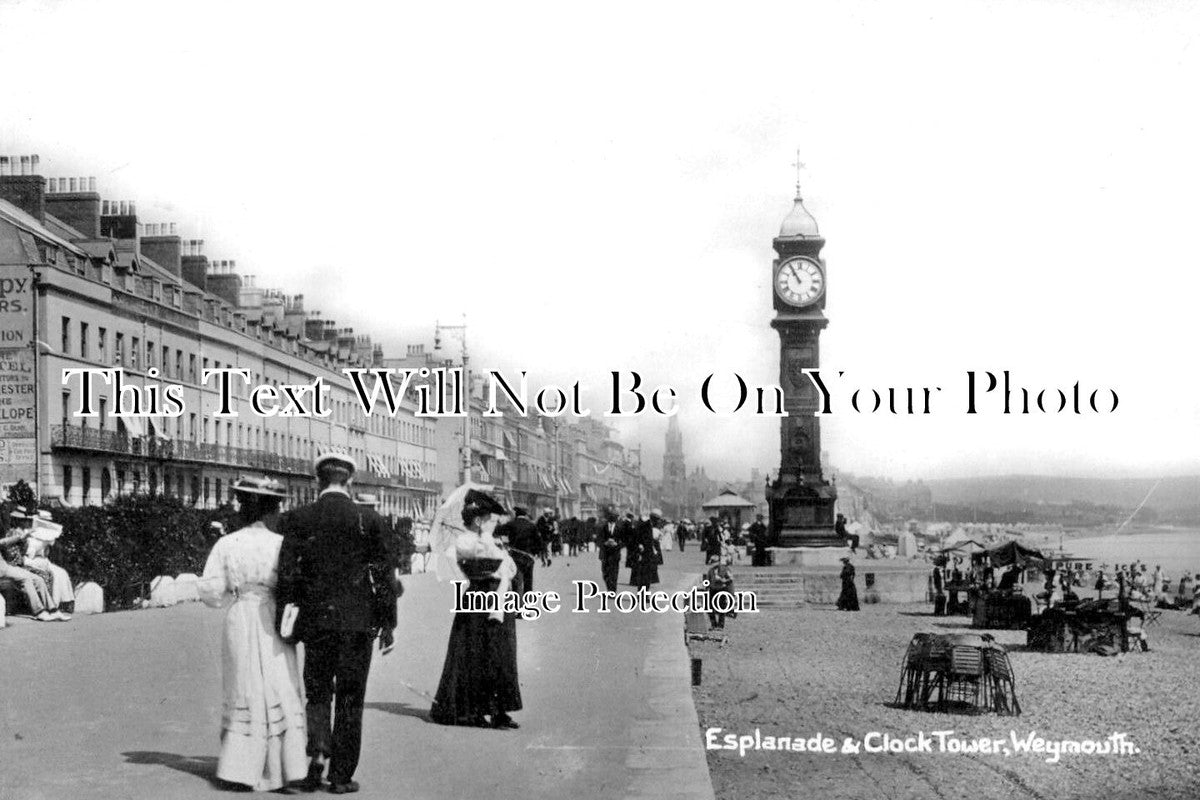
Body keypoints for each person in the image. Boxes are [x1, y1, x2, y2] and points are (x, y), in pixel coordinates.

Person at [276, 453, 397, 795]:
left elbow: (286, 573)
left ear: (318, 481)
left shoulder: (300, 518)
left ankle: (316, 754)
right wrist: (388, 623)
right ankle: (341, 776)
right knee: (350, 698)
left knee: (317, 692)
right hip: (358, 623)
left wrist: (285, 619)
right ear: (350, 481)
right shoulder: (368, 519)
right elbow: (384, 576)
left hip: (316, 622)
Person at [198, 477, 307, 792]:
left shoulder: (227, 544)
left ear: (245, 507)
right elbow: (296, 584)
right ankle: (289, 768)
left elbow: (211, 592)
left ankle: (240, 769)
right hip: (274, 617)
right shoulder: (281, 543)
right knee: (280, 684)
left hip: (242, 616)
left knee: (244, 684)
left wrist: (234, 593)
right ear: (270, 509)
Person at [429, 488, 522, 729]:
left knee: (501, 653)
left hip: (499, 598)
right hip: (480, 599)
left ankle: (500, 710)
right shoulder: (465, 539)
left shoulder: (488, 539)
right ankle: (473, 710)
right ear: (479, 520)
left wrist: (499, 550)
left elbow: (508, 566)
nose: (494, 523)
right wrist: (495, 550)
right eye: (490, 519)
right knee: (477, 653)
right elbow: (478, 561)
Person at [0, 518, 66, 622]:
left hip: (5, 567)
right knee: (25, 579)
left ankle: (53, 610)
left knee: (38, 579)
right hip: (2, 570)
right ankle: (39, 612)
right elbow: (3, 542)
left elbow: (4, 542)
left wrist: (22, 536)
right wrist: (21, 536)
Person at [23, 511, 75, 614]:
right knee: (53, 574)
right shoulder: (26, 534)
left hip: (42, 560)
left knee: (61, 572)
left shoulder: (47, 535)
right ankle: (52, 604)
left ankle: (65, 601)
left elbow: (47, 551)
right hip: (29, 561)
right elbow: (27, 552)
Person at [497, 507, 540, 593]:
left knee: (517, 582)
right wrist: (536, 552)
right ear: (525, 515)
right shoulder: (532, 525)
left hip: (515, 556)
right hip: (529, 557)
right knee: (528, 580)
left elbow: (497, 531)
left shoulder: (511, 524)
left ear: (516, 514)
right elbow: (538, 541)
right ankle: (528, 602)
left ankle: (517, 602)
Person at [628, 512, 661, 589]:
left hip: (649, 555)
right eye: (657, 520)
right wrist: (639, 545)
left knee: (648, 577)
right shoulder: (645, 525)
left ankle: (645, 595)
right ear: (654, 519)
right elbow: (637, 537)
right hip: (643, 554)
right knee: (643, 576)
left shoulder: (650, 525)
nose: (658, 522)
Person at [705, 555, 737, 629]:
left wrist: (723, 580)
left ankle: (720, 625)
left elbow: (731, 578)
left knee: (721, 608)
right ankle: (713, 624)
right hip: (713, 589)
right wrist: (707, 587)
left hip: (722, 589)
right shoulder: (711, 570)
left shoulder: (725, 569)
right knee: (709, 607)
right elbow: (708, 580)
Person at [597, 511, 624, 593]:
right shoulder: (602, 527)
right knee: (605, 573)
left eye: (615, 516)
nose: (613, 518)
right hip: (605, 553)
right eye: (611, 516)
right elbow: (598, 539)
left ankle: (612, 591)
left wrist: (617, 544)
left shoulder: (620, 528)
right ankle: (609, 587)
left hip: (615, 553)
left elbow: (625, 540)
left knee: (614, 572)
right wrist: (604, 543)